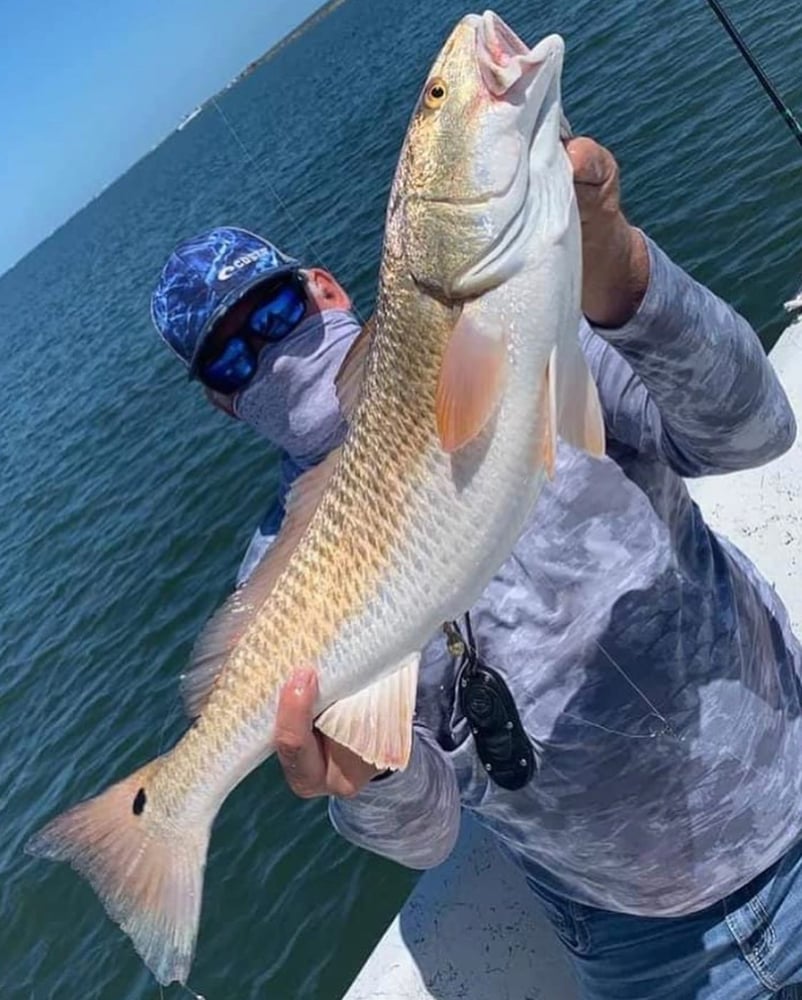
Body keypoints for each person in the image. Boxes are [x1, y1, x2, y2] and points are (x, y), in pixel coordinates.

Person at [151, 137, 802, 1000]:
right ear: (220, 401)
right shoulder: (282, 580)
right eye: (232, 359)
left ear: (327, 289)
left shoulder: (518, 337)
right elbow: (426, 834)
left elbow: (754, 433)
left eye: (272, 314)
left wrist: (626, 273)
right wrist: (372, 783)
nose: (268, 355)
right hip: (638, 945)